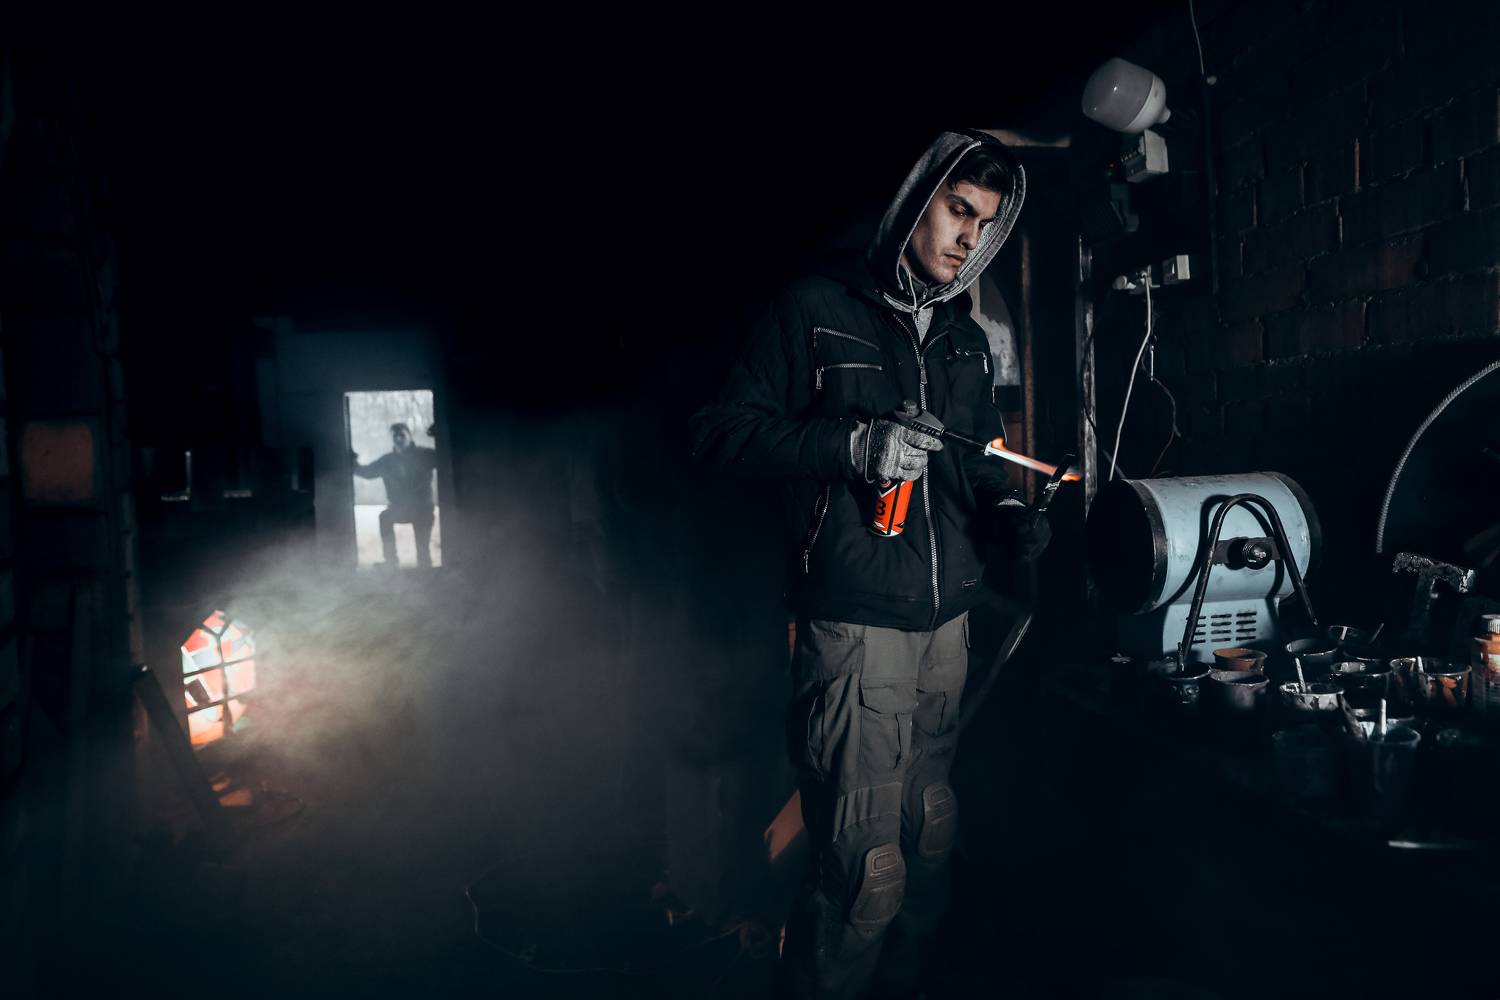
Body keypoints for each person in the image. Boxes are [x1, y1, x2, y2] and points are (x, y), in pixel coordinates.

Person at [690, 129, 1051, 999]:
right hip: (855, 626)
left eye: (984, 223)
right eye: (957, 210)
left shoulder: (964, 340)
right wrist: (854, 445)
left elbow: (979, 461)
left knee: (930, 835)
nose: (968, 237)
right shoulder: (814, 311)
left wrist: (1006, 513)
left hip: (948, 628)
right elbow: (720, 435)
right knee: (866, 874)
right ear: (913, 203)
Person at [352, 422, 439, 568]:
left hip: (422, 508)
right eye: (395, 436)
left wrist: (439, 434)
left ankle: (425, 565)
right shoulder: (387, 461)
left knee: (423, 554)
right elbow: (366, 472)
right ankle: (391, 562)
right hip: (400, 508)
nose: (398, 438)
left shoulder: (425, 455)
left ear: (410, 436)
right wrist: (351, 460)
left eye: (402, 435)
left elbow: (445, 456)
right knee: (385, 517)